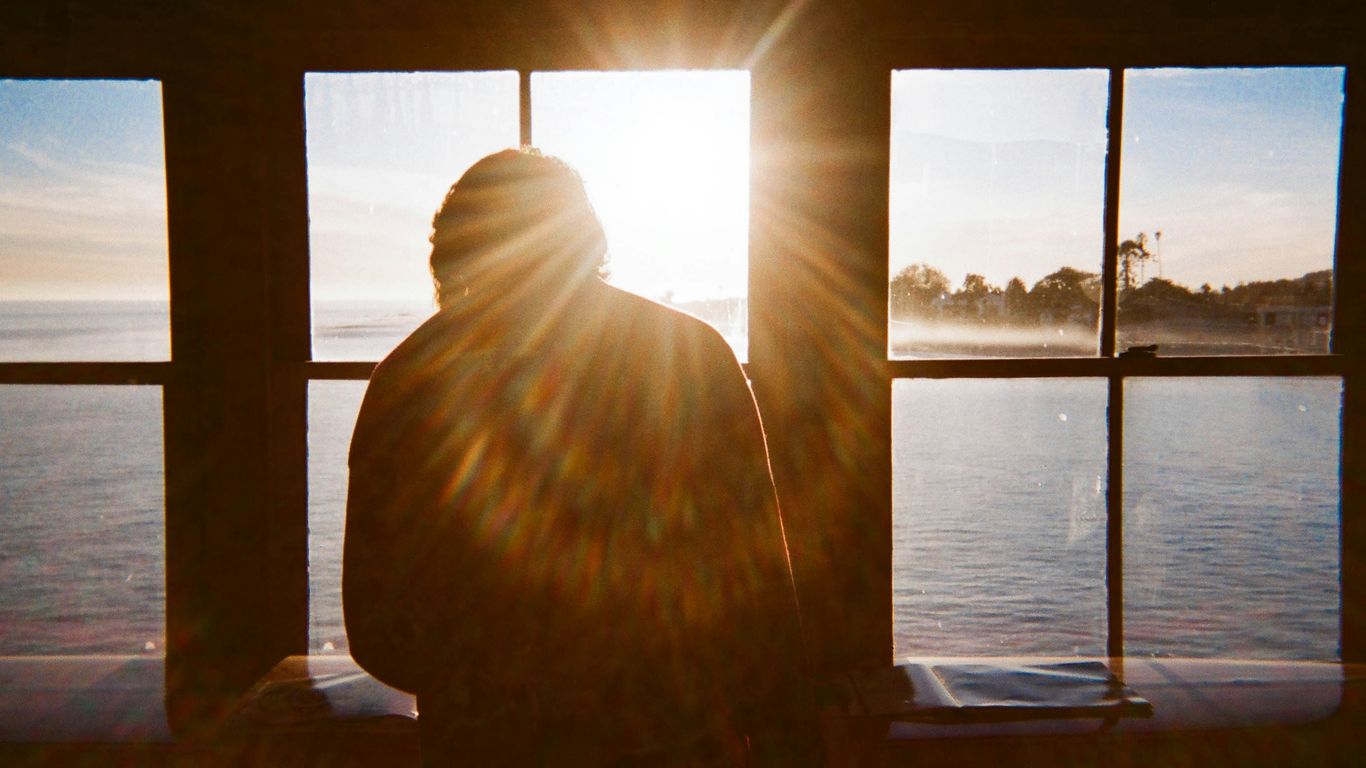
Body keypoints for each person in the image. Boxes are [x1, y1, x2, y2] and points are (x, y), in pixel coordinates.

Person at [343, 149, 811, 765]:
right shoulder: (692, 356)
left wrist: (489, 685)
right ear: (586, 238)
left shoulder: (408, 381)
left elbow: (376, 625)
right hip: (675, 736)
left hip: (485, 744)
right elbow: (763, 601)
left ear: (454, 252)